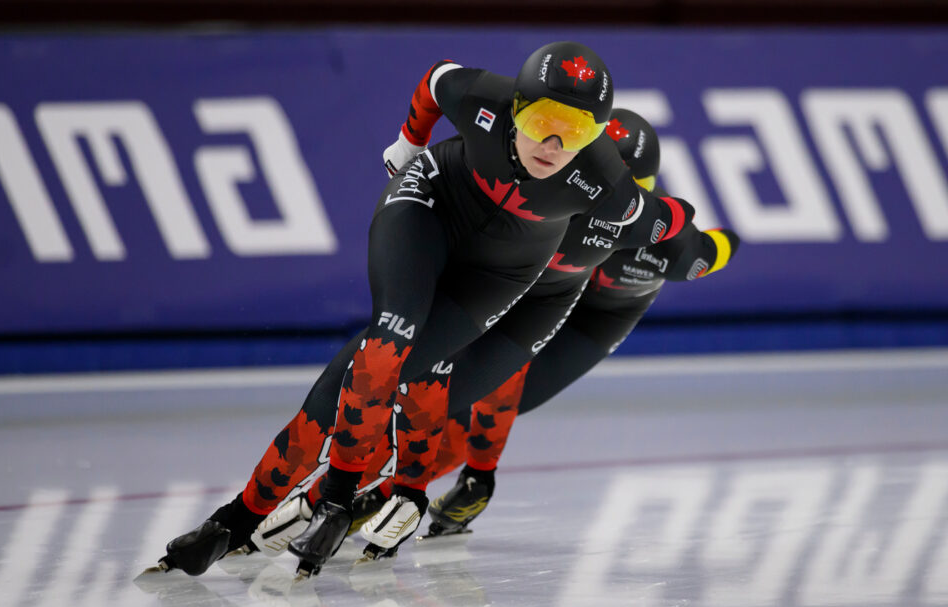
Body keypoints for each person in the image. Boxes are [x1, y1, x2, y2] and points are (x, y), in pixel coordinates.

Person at [155, 41, 695, 577]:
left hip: (501, 275)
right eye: (542, 120)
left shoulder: (611, 195)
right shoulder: (483, 99)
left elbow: (672, 223)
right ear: (515, 107)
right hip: (432, 207)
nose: (553, 143)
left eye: (575, 131)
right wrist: (409, 141)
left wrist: (683, 234)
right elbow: (438, 78)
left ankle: (317, 503)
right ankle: (300, 508)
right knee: (384, 349)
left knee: (404, 385)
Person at [252, 108, 738, 561]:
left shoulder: (668, 249)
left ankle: (370, 494)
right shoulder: (547, 210)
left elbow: (719, 248)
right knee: (445, 387)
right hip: (548, 292)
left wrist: (480, 474)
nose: (605, 211)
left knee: (490, 397)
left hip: (597, 318)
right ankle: (342, 492)